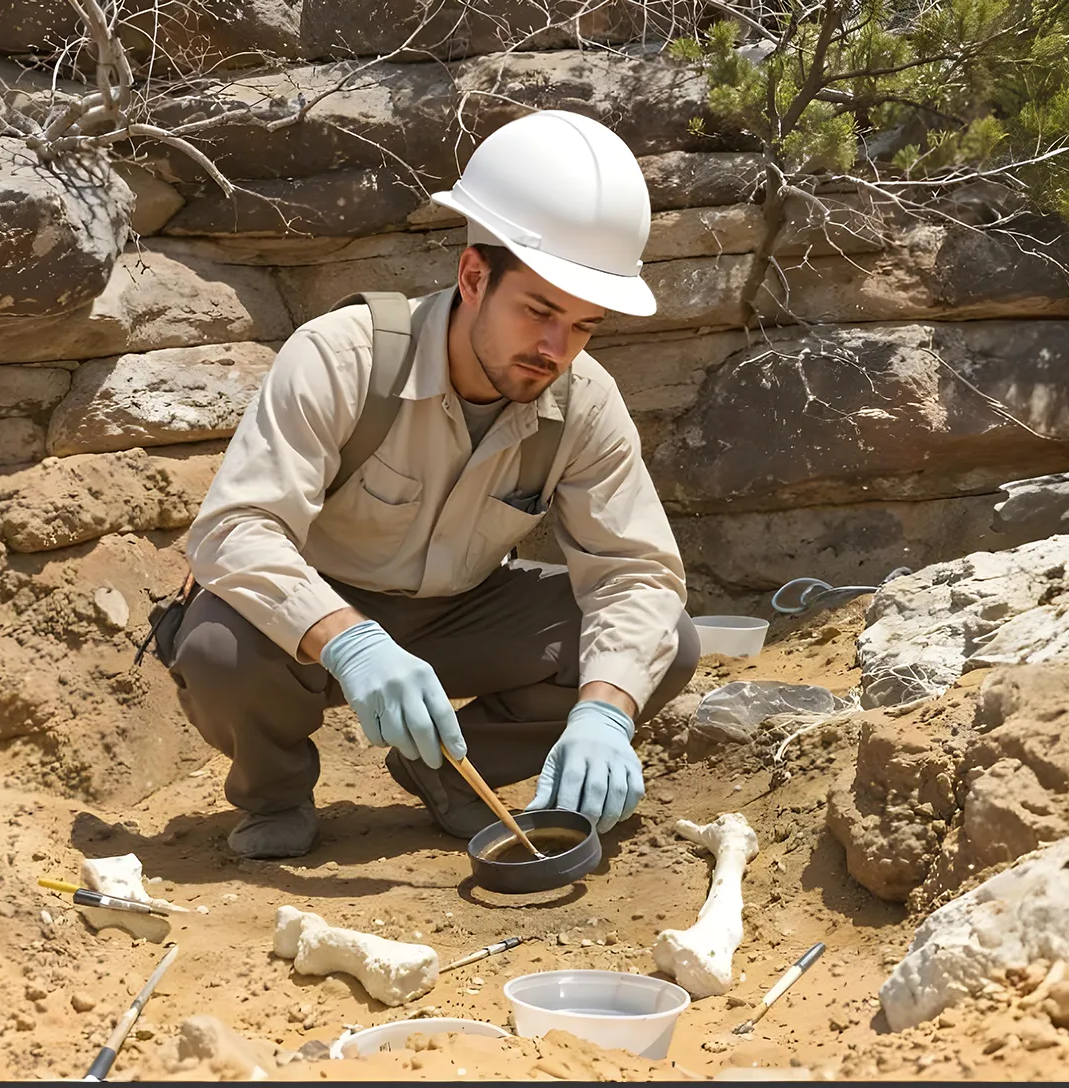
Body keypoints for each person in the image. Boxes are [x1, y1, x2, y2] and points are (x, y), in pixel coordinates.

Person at [167, 109, 700, 859]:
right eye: (539, 312)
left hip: (464, 616)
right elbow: (234, 530)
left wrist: (606, 714)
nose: (556, 349)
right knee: (219, 646)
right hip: (318, 617)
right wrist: (352, 644)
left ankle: (452, 777)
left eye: (584, 326)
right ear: (475, 275)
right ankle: (275, 792)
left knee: (661, 643)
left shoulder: (585, 400)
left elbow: (637, 574)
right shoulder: (342, 357)